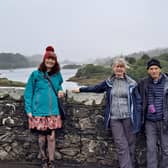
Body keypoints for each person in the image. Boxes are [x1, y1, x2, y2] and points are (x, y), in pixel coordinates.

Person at [72, 57, 141, 168]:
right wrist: (81, 89)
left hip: (129, 117)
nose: (119, 69)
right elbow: (95, 88)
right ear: (113, 68)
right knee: (121, 145)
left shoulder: (132, 83)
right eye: (117, 66)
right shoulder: (109, 83)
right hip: (114, 118)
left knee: (131, 144)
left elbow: (138, 101)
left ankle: (131, 164)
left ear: (125, 69)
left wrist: (138, 117)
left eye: (121, 66)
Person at [24, 45, 64, 168]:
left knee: (51, 137)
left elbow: (59, 86)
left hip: (53, 111)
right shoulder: (35, 74)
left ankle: (51, 161)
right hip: (38, 111)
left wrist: (61, 90)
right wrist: (28, 110)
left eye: (53, 59)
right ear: (44, 59)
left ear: (55, 61)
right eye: (48, 58)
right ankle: (43, 158)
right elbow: (28, 92)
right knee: (42, 137)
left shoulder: (57, 75)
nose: (50, 61)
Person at [137, 58, 168, 168]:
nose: (154, 71)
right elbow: (132, 90)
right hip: (149, 122)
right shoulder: (143, 83)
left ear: (160, 69)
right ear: (148, 71)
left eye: (156, 68)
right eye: (151, 69)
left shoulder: (167, 82)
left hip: (164, 121)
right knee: (151, 149)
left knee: (166, 149)